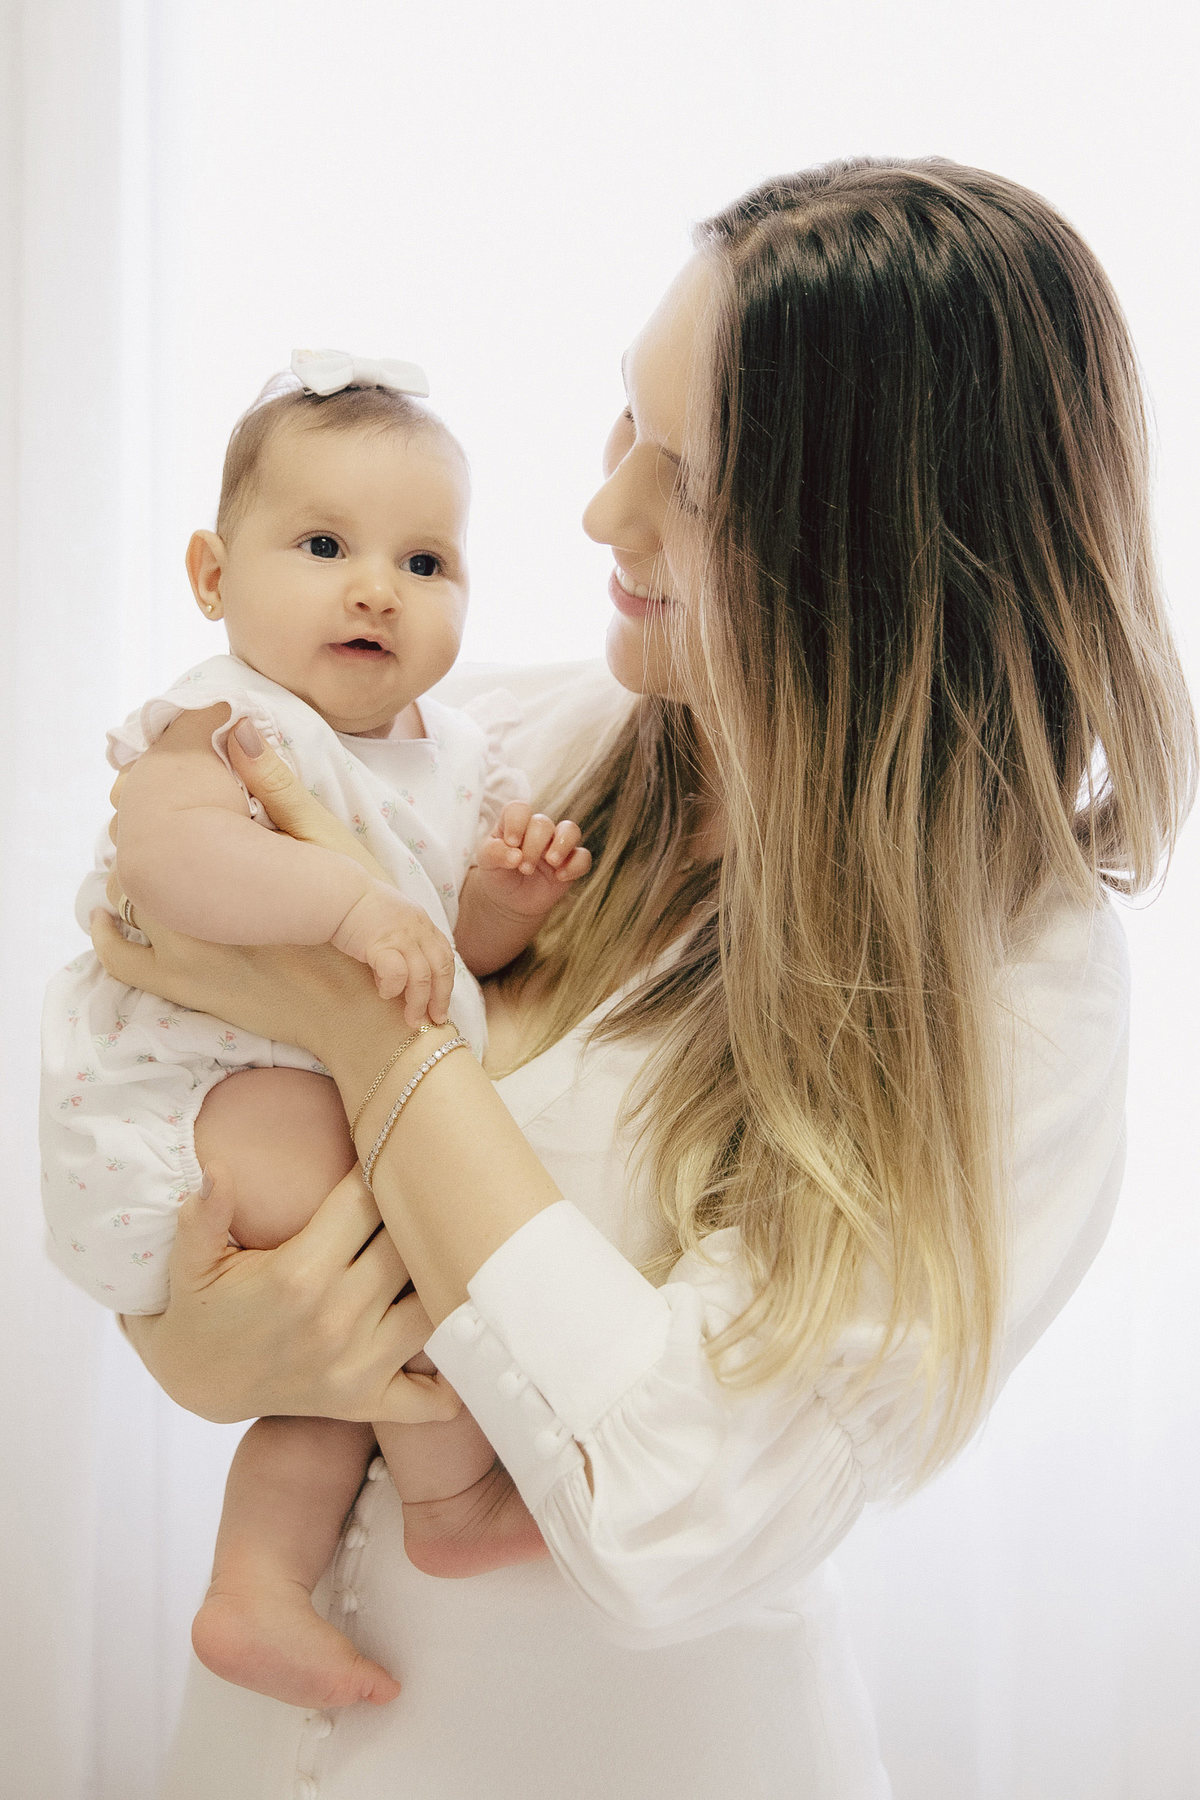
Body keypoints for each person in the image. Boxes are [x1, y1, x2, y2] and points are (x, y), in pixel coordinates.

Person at [92, 158, 1195, 1800]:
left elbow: (673, 1506)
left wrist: (364, 1039)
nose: (603, 514)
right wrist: (192, 1333)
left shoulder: (1013, 991)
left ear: (882, 559)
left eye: (697, 481)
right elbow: (141, 994)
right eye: (628, 424)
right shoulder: (505, 754)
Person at [41, 356, 590, 1710]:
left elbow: (433, 973)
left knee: (330, 1356)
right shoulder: (224, 725)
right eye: (326, 544)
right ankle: (452, 1493)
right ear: (211, 576)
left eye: (425, 560)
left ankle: (254, 1591)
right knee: (407, 1247)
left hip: (293, 1083)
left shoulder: (456, 754)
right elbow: (166, 869)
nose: (376, 587)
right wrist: (348, 897)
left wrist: (498, 908)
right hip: (193, 1103)